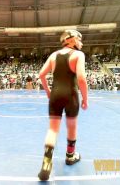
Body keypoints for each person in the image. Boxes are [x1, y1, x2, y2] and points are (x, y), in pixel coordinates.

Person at [38, 30, 88, 181]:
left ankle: (46, 164)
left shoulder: (54, 55)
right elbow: (81, 78)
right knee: (72, 126)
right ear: (70, 40)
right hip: (71, 95)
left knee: (53, 129)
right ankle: (70, 156)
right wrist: (85, 98)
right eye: (79, 39)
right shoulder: (79, 55)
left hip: (55, 95)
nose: (81, 42)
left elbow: (41, 74)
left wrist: (48, 91)